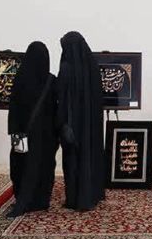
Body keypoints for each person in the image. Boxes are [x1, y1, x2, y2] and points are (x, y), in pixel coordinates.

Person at [7, 41, 58, 216]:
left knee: (21, 165)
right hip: (45, 136)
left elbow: (14, 108)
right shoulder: (51, 81)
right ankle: (40, 200)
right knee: (44, 165)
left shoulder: (20, 78)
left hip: (22, 134)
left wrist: (14, 131)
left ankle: (22, 197)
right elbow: (55, 109)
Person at [55, 31, 105, 211]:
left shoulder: (66, 68)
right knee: (90, 157)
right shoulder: (92, 66)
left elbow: (61, 98)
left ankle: (76, 198)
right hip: (90, 126)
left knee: (73, 161)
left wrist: (59, 123)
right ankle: (91, 194)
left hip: (72, 126)